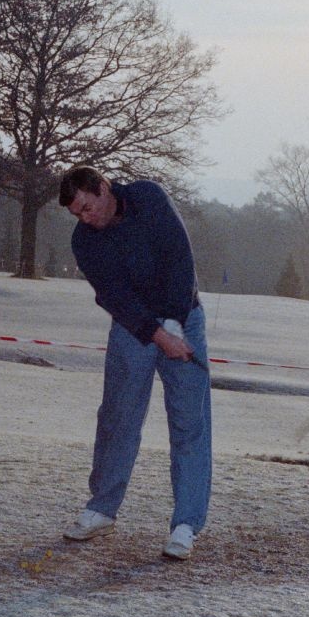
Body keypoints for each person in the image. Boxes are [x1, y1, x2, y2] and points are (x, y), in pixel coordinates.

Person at [57, 166, 211, 560]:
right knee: (118, 416)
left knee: (189, 422)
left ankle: (185, 525)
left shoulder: (149, 198)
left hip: (184, 314)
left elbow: (180, 258)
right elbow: (115, 297)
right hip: (132, 325)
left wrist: (176, 324)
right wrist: (159, 335)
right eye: (78, 214)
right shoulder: (85, 242)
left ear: (105, 188)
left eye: (89, 207)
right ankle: (102, 509)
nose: (86, 218)